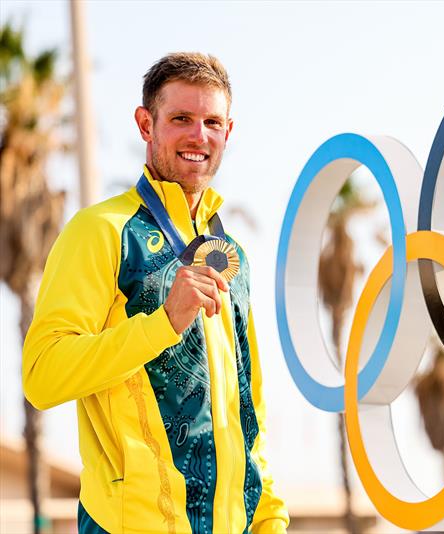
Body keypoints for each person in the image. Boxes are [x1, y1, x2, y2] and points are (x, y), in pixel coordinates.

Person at [22, 52, 289, 534]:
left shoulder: (231, 254)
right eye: (181, 119)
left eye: (212, 122)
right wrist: (162, 323)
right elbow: (42, 376)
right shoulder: (101, 231)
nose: (198, 136)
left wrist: (269, 519)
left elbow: (250, 409)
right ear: (146, 124)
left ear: (228, 132)